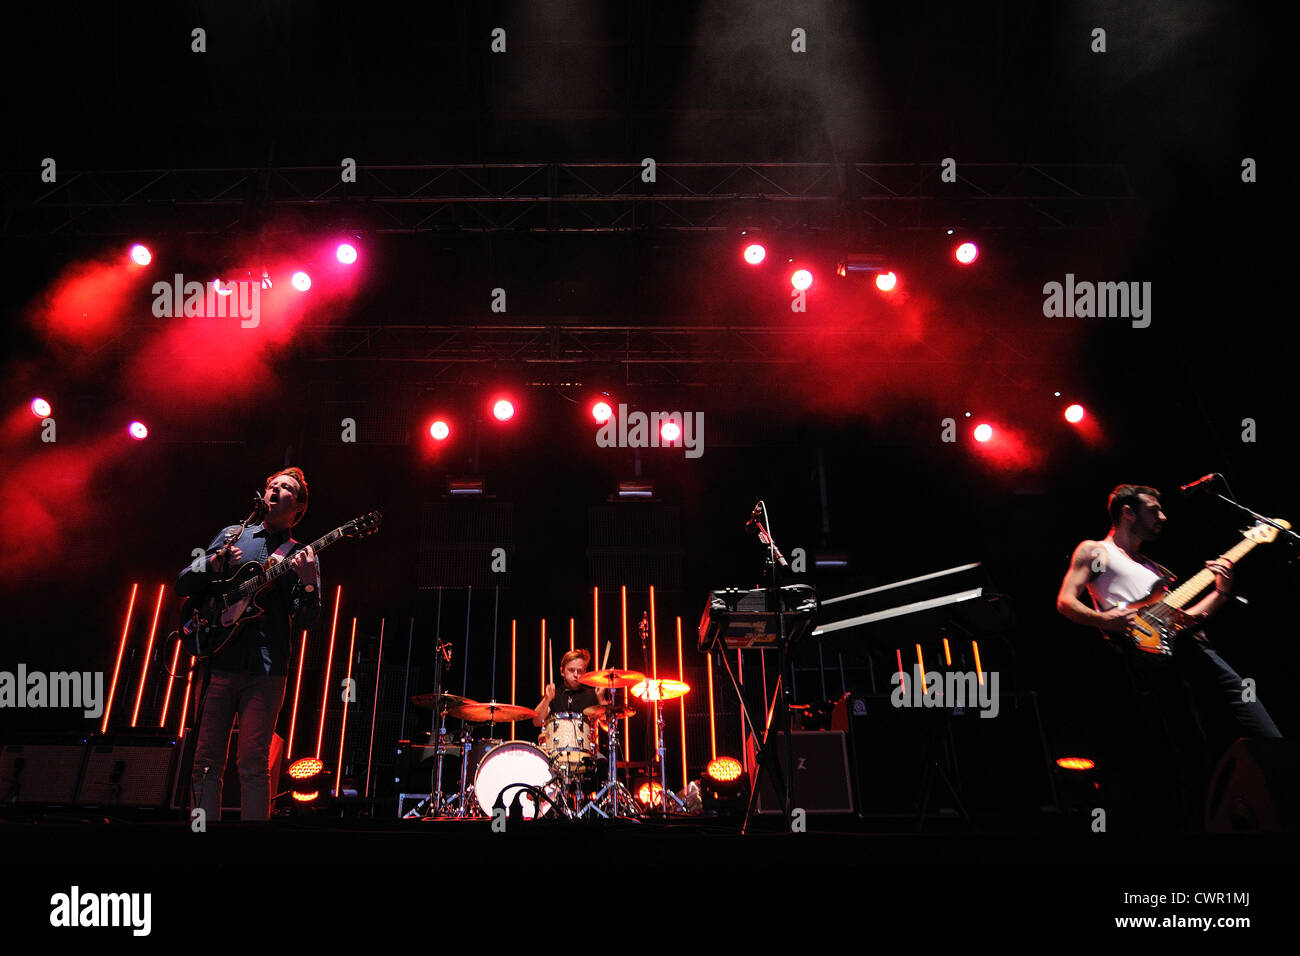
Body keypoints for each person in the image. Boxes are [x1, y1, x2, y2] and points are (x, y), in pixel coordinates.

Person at [1056, 483, 1281, 826]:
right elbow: (1065, 602)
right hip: (1152, 660)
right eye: (1153, 509)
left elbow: (1188, 619)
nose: (1163, 516)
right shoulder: (1095, 551)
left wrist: (1221, 592)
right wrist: (1104, 620)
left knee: (1256, 726)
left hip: (1193, 648)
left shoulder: (1158, 572)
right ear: (1127, 512)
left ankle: (1278, 792)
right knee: (1189, 750)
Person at [176, 468, 321, 821]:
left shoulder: (300, 554)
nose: (274, 490)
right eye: (272, 485)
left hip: (266, 668)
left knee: (253, 763)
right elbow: (183, 583)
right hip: (219, 659)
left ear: (298, 507)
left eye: (285, 488)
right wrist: (213, 561)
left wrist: (307, 584)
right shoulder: (233, 535)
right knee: (206, 762)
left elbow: (305, 621)